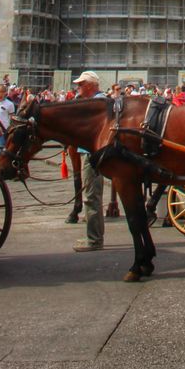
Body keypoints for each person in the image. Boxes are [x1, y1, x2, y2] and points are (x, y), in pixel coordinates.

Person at [71, 71, 106, 252]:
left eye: (81, 84)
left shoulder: (96, 103)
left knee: (91, 196)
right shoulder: (97, 101)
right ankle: (95, 236)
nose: (78, 87)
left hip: (92, 154)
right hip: (92, 152)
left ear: (91, 85)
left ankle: (94, 240)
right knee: (93, 196)